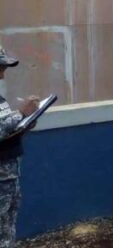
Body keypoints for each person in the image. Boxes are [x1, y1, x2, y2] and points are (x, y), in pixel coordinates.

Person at [0, 46, 40, 248]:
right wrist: (21, 114)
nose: (2, 74)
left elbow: (8, 131)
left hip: (8, 177)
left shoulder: (1, 100)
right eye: (0, 67)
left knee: (7, 228)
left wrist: (28, 121)